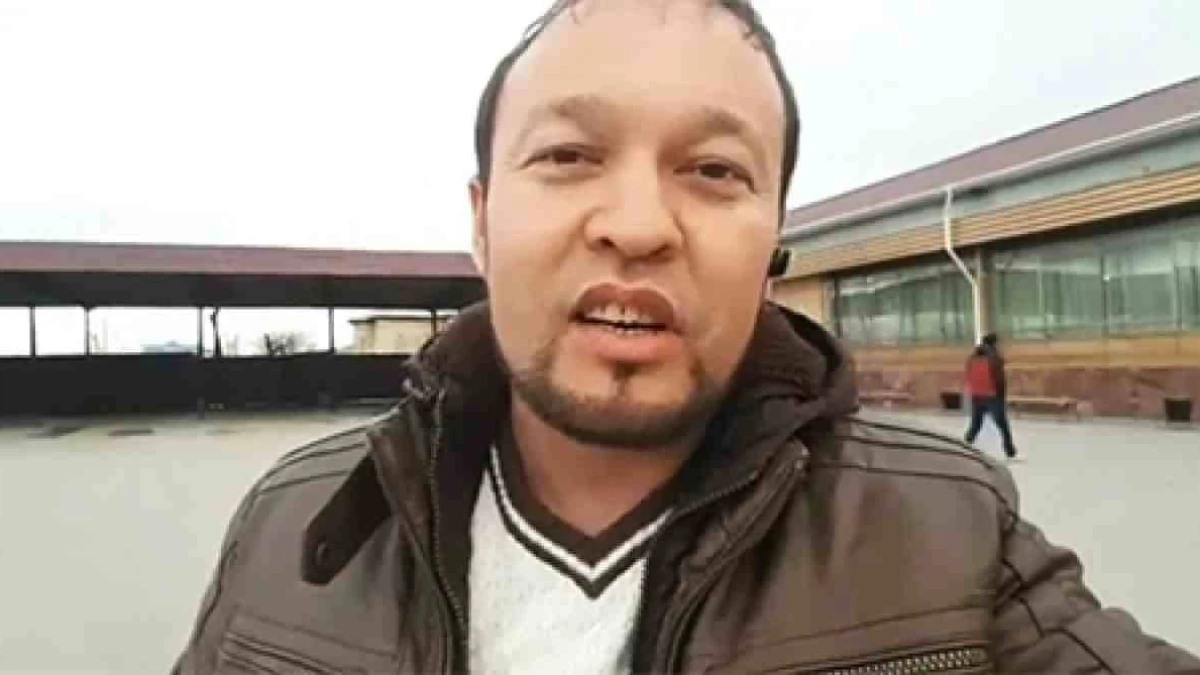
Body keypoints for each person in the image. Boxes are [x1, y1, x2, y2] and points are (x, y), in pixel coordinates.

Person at [173, 1, 1199, 673]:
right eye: (568, 154)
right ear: (481, 222)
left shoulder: (949, 537)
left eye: (713, 171)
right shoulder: (295, 527)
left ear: (774, 244)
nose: (639, 226)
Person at [964, 332, 1019, 459]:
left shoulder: (973, 356)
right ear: (994, 343)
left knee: (975, 424)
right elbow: (999, 378)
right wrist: (1001, 395)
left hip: (977, 395)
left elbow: (969, 372)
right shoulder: (994, 356)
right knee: (1003, 425)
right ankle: (1010, 451)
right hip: (992, 396)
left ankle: (965, 445)